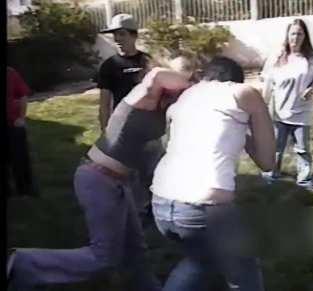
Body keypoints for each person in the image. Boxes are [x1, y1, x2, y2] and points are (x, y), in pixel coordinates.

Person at [7, 68, 192, 291]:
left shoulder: (162, 112)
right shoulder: (139, 99)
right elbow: (157, 74)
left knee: (135, 251)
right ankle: (21, 262)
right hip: (97, 179)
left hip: (118, 184)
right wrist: (199, 87)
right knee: (103, 257)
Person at [150, 56, 276, 291]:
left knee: (202, 261)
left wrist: (236, 130)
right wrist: (248, 128)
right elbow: (268, 162)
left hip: (161, 204)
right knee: (244, 272)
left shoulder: (186, 96)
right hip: (204, 209)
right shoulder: (244, 92)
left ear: (205, 76)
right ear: (235, 80)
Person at [97, 13, 157, 220]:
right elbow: (104, 102)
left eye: (121, 34)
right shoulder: (109, 66)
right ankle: (135, 211)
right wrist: (106, 131)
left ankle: (153, 207)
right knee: (126, 171)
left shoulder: (147, 61)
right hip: (122, 127)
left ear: (133, 35)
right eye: (114, 35)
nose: (117, 39)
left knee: (151, 167)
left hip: (150, 126)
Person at [260, 18, 313, 191]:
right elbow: (267, 82)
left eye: (300, 33)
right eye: (293, 33)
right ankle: (270, 176)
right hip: (279, 111)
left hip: (302, 112)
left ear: (305, 36)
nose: (296, 37)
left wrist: (311, 89)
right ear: (287, 36)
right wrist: (262, 106)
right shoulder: (277, 58)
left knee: (302, 149)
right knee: (276, 149)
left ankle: (304, 180)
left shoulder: (312, 59)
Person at [6, 66, 38, 198]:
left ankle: (25, 189)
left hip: (13, 123)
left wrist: (21, 118)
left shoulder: (10, 73)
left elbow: (23, 95)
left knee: (20, 158)